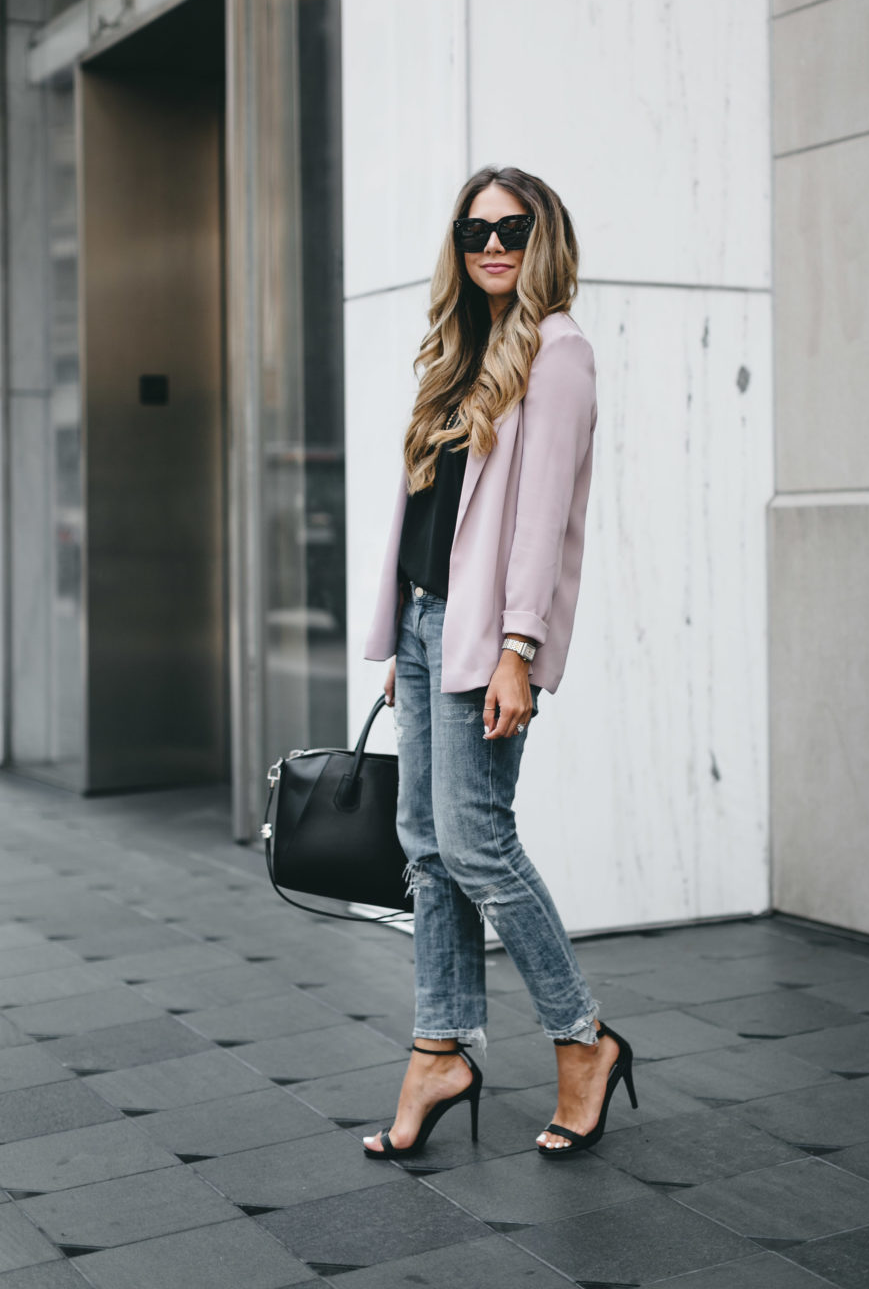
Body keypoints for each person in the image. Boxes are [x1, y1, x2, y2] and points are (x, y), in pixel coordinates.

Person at [361, 165, 636, 1160]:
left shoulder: (558, 355)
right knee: (424, 846)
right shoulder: (455, 351)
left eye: (510, 229)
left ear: (542, 237)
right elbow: (424, 515)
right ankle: (440, 1046)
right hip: (428, 624)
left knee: (475, 842)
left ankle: (583, 1038)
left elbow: (542, 520)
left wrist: (518, 649)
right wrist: (397, 636)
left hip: (488, 636)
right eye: (473, 229)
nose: (490, 245)